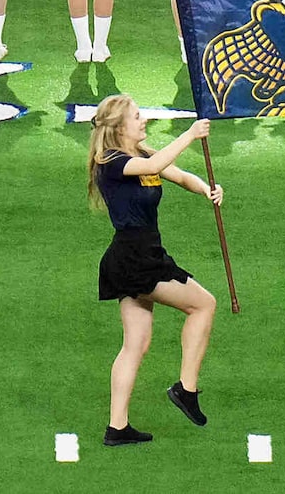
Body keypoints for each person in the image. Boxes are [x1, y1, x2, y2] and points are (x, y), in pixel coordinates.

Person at [85, 94, 219, 447]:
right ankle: (186, 389)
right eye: (138, 117)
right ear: (120, 128)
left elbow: (177, 174)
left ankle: (117, 428)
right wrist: (190, 135)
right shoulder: (111, 161)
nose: (144, 121)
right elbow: (156, 165)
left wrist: (207, 189)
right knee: (203, 304)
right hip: (137, 259)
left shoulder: (141, 154)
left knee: (135, 344)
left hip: (137, 255)